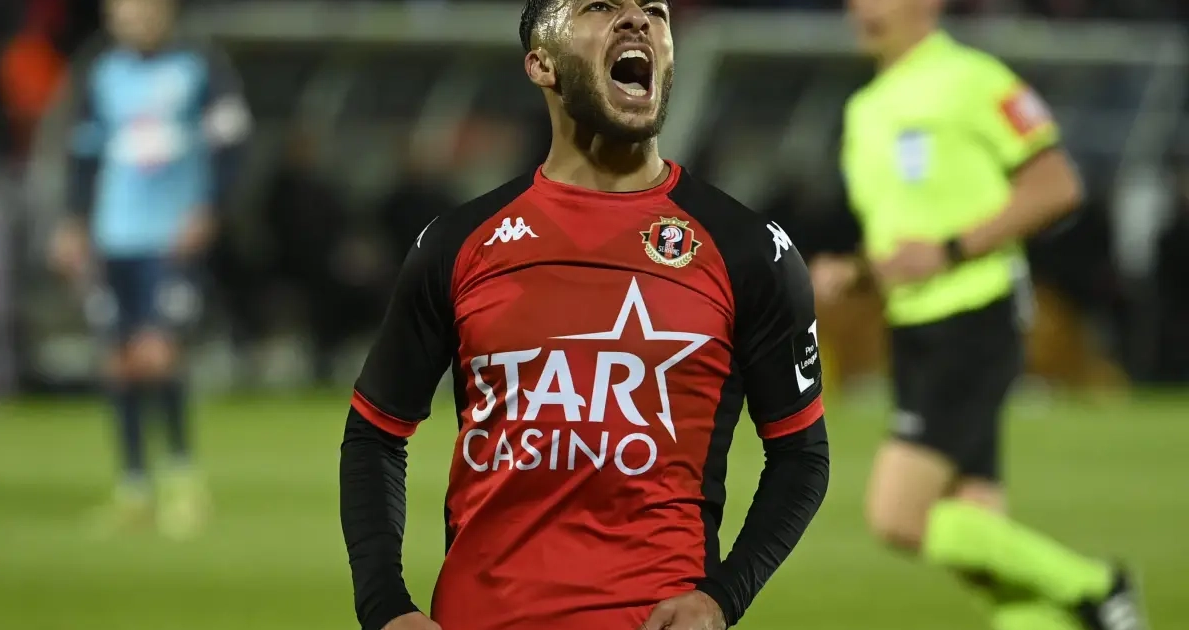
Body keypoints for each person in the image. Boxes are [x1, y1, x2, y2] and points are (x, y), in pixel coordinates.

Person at [338, 0, 831, 628]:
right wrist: (385, 608)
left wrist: (722, 597)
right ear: (541, 64)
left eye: (654, 10)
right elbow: (375, 433)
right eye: (600, 5)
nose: (637, 20)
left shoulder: (748, 250)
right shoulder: (458, 244)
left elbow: (801, 455)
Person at [813, 1, 1148, 629]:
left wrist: (952, 250)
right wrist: (854, 273)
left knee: (897, 516)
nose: (862, 7)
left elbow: (1056, 185)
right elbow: (905, 240)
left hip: (974, 315)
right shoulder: (866, 108)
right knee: (981, 541)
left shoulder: (973, 80)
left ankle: (1098, 587)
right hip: (912, 325)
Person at [48, 0, 249, 539]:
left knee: (157, 353)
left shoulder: (199, 68)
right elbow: (83, 154)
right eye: (122, 10)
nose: (131, 18)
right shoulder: (103, 75)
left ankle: (183, 481)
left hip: (172, 239)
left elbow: (232, 144)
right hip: (115, 237)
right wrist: (73, 222)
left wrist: (209, 208)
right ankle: (134, 489)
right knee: (118, 361)